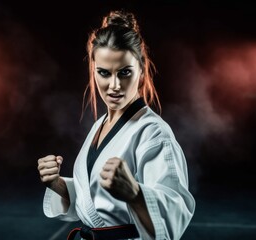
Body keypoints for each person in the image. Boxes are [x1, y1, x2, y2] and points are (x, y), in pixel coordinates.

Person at [37, 10, 195, 240]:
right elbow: (96, 203)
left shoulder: (154, 132)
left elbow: (174, 217)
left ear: (141, 70)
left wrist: (135, 193)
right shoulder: (100, 125)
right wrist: (57, 184)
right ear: (93, 70)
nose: (114, 86)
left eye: (124, 73)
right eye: (104, 73)